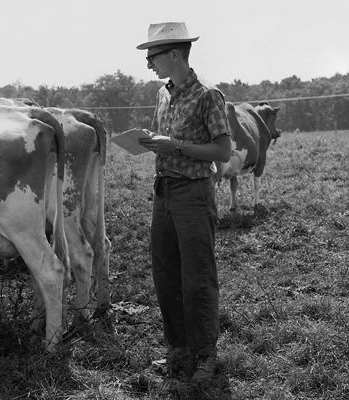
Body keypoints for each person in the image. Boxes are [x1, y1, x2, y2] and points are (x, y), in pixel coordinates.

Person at [136, 22, 232, 382]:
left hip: (193, 193)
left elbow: (223, 151)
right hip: (164, 192)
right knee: (165, 274)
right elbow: (165, 138)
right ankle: (177, 350)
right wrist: (151, 141)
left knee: (197, 277)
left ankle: (205, 354)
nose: (149, 64)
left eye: (153, 56)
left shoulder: (208, 94)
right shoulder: (162, 94)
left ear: (175, 54)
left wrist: (174, 146)